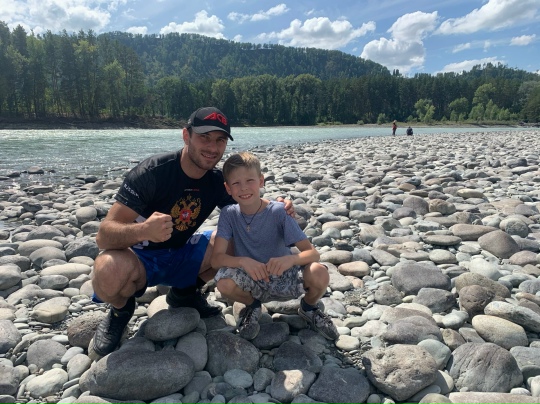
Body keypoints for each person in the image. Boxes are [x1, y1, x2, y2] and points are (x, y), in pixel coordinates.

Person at [90, 107, 292, 357]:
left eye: (220, 140)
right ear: (186, 136)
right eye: (204, 137)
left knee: (232, 241)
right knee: (107, 268)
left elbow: (250, 213)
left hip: (182, 252)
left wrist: (278, 209)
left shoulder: (216, 182)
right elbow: (104, 235)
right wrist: (143, 230)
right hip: (140, 259)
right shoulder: (152, 173)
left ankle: (184, 293)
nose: (212, 147)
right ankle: (120, 311)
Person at [210, 152, 339, 341]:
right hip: (252, 279)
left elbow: (313, 253)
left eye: (250, 180)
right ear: (227, 188)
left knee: (319, 272)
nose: (243, 188)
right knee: (223, 282)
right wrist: (243, 261)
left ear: (261, 181)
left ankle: (309, 308)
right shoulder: (229, 214)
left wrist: (291, 259)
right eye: (236, 183)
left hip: (284, 277)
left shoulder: (278, 211)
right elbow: (216, 260)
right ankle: (253, 306)